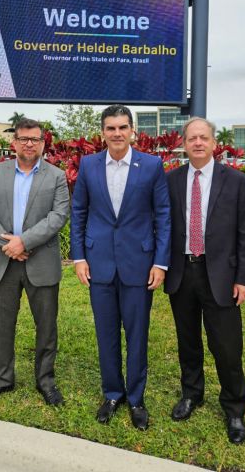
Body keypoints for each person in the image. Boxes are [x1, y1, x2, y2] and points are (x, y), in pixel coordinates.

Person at [70, 104, 171, 430]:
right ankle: (113, 393)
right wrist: (79, 257)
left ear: (132, 131)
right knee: (106, 333)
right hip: (99, 264)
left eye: (122, 127)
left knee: (137, 334)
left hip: (139, 265)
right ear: (103, 132)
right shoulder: (88, 165)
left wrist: (160, 262)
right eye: (111, 128)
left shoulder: (152, 165)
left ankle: (137, 398)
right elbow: (79, 212)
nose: (117, 133)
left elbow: (163, 215)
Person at [165, 117, 245, 444]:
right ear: (185, 144)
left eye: (204, 137)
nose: (198, 143)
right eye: (192, 138)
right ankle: (192, 393)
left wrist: (244, 278)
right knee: (188, 341)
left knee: (227, 347)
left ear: (214, 143)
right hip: (182, 272)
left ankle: (234, 408)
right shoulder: (172, 180)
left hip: (221, 275)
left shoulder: (236, 181)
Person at [0, 118, 69, 407]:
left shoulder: (56, 176)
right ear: (14, 142)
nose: (29, 143)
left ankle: (46, 380)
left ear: (43, 142)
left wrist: (23, 241)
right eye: (24, 138)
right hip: (1, 261)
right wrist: (9, 244)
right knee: (2, 324)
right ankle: (1, 379)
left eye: (35, 139)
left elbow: (58, 216)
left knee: (46, 326)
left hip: (40, 261)